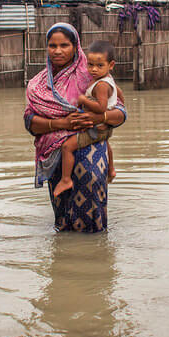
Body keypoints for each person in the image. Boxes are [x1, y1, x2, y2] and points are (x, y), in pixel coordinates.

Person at [24, 23, 127, 233]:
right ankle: (66, 254)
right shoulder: (37, 84)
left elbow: (121, 111)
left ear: (75, 46)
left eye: (64, 45)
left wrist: (100, 115)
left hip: (90, 146)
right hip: (56, 152)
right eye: (52, 45)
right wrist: (61, 124)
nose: (58, 50)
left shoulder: (93, 75)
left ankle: (96, 249)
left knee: (92, 194)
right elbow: (30, 121)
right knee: (62, 213)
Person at [52, 40, 118, 197]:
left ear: (111, 65)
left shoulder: (101, 85)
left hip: (96, 128)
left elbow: (101, 108)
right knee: (106, 143)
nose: (93, 69)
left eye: (99, 65)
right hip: (104, 129)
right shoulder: (107, 80)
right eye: (90, 65)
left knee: (68, 147)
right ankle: (111, 169)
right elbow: (119, 96)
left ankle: (66, 179)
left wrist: (83, 100)